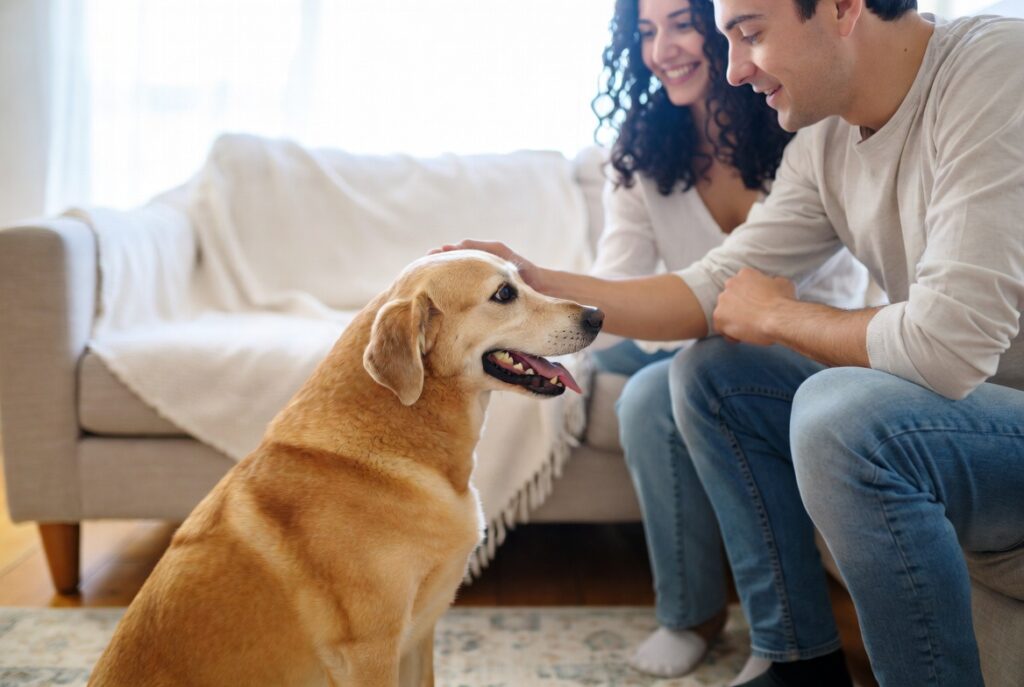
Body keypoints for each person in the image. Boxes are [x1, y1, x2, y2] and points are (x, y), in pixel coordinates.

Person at [436, 0, 1024, 683]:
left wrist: (782, 318)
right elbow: (709, 287)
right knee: (712, 371)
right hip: (967, 416)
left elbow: (945, 347)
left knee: (844, 416)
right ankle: (797, 660)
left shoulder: (993, 67)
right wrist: (537, 281)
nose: (735, 67)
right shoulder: (824, 143)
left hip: (997, 412)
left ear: (841, 7)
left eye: (749, 34)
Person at [584, 0, 867, 680]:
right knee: (632, 364)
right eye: (645, 33)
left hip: (793, 338)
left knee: (651, 395)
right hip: (685, 330)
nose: (662, 51)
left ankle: (696, 616)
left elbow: (768, 297)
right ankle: (692, 612)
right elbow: (616, 285)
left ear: (732, 24)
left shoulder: (801, 122)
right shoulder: (644, 145)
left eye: (681, 24)